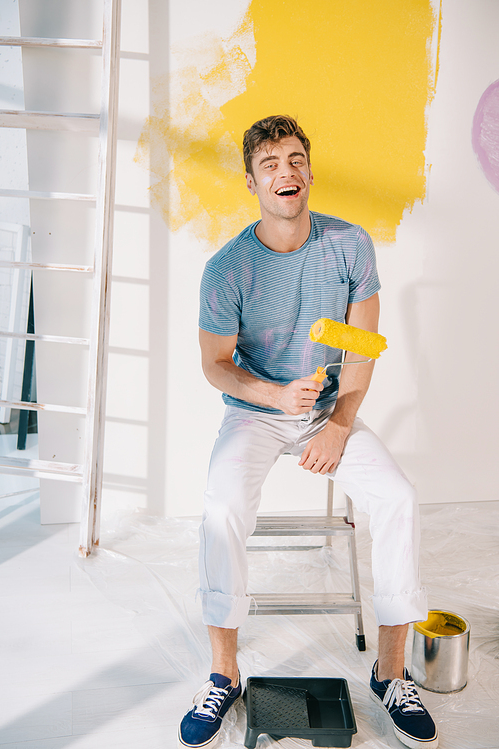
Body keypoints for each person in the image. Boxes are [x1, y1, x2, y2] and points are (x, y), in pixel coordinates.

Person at [178, 115, 438, 749]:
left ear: (310, 172)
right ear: (252, 182)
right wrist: (271, 394)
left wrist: (339, 424)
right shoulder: (228, 268)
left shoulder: (349, 246)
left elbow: (362, 348)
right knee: (221, 507)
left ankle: (391, 673)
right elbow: (215, 365)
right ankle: (224, 673)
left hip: (330, 410)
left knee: (399, 498)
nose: (285, 173)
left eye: (294, 160)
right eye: (270, 165)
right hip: (254, 413)